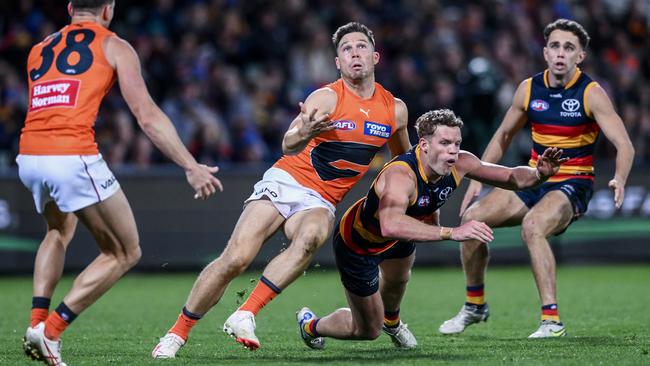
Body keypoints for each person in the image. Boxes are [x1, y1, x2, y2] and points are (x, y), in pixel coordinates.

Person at [151, 21, 411, 358]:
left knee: (313, 235)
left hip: (321, 199)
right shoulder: (327, 97)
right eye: (346, 49)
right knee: (236, 258)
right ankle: (177, 333)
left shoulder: (395, 110)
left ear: (375, 56)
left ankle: (245, 313)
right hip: (287, 180)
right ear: (338, 63)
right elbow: (288, 143)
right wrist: (305, 132)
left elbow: (402, 162)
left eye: (360, 46)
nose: (354, 53)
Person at [19, 1, 223, 365]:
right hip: (72, 154)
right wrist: (190, 164)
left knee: (58, 231)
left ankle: (35, 321)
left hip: (29, 154)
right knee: (125, 251)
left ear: (69, 8)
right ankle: (49, 332)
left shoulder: (39, 49)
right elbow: (146, 116)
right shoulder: (115, 45)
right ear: (108, 9)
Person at [295, 109, 566, 349]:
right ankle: (311, 325)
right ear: (424, 145)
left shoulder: (460, 162)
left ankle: (394, 322)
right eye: (445, 143)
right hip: (361, 243)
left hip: (401, 232)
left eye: (457, 143)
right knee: (367, 329)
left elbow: (509, 177)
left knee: (398, 281)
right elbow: (390, 225)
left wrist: (539, 174)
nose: (453, 150)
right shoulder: (402, 176)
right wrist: (452, 232)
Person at [438, 19, 635, 338]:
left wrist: (621, 178)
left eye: (569, 48)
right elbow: (502, 135)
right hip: (534, 177)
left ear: (580, 56)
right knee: (473, 219)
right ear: (545, 52)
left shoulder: (591, 93)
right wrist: (478, 178)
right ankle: (475, 305)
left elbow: (624, 143)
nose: (560, 53)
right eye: (555, 46)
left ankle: (551, 321)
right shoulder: (529, 89)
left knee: (533, 226)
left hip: (574, 182)